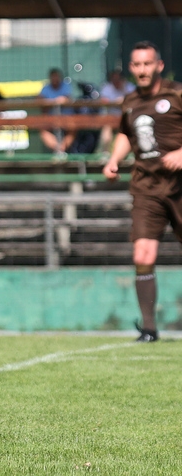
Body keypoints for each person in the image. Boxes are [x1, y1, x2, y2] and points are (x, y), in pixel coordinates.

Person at [102, 42, 182, 343]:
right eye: (136, 65)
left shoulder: (176, 93)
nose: (142, 70)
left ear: (158, 65)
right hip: (147, 187)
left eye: (147, 64)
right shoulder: (130, 101)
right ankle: (149, 328)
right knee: (143, 254)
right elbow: (125, 132)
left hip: (180, 185)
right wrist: (113, 160)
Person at [98, 68, 136, 154]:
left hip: (128, 118)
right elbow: (103, 101)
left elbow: (135, 101)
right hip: (111, 117)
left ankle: (133, 153)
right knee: (106, 131)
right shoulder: (107, 88)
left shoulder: (130, 87)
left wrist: (124, 100)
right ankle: (105, 153)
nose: (116, 81)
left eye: (118, 79)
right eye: (113, 79)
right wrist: (116, 102)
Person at [38, 68, 75, 154]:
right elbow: (40, 101)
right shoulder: (46, 88)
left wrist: (62, 100)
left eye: (56, 76)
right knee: (43, 129)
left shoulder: (66, 86)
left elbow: (68, 98)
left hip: (66, 117)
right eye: (53, 77)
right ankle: (58, 149)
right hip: (51, 118)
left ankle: (62, 149)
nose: (55, 79)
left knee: (73, 128)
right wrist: (51, 101)